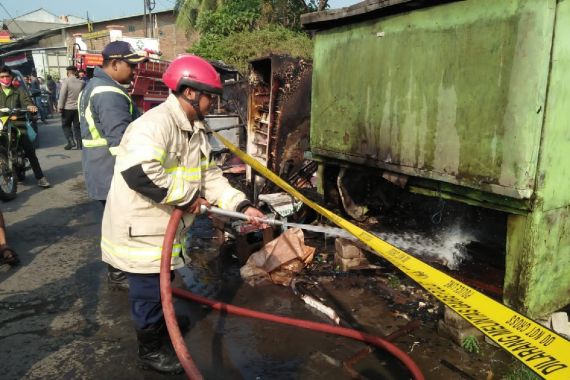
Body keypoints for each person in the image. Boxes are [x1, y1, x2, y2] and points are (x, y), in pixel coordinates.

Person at [101, 54, 265, 374]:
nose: (213, 103)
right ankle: (150, 350)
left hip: (160, 228)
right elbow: (139, 173)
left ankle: (162, 328)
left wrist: (242, 207)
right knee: (148, 291)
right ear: (190, 92)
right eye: (210, 96)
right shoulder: (155, 124)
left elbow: (211, 177)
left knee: (163, 280)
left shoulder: (194, 129)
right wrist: (189, 198)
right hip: (140, 227)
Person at [78, 41, 147, 289]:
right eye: (131, 65)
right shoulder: (108, 93)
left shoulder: (96, 86)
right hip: (110, 170)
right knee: (120, 223)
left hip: (100, 168)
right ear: (115, 63)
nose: (134, 71)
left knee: (112, 221)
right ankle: (119, 273)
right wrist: (142, 178)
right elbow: (121, 144)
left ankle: (117, 270)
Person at [0, 66, 50, 188]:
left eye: (7, 76)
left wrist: (30, 107)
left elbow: (27, 101)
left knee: (29, 150)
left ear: (11, 77)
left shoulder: (19, 90)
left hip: (18, 123)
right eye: (2, 77)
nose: (5, 79)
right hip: (2, 124)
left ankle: (40, 177)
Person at [58, 66, 85, 150]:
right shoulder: (82, 82)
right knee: (77, 126)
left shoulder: (66, 82)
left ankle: (71, 142)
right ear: (75, 72)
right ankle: (80, 145)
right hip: (78, 108)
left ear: (68, 72)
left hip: (67, 108)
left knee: (66, 125)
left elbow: (62, 95)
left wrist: (60, 107)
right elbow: (84, 95)